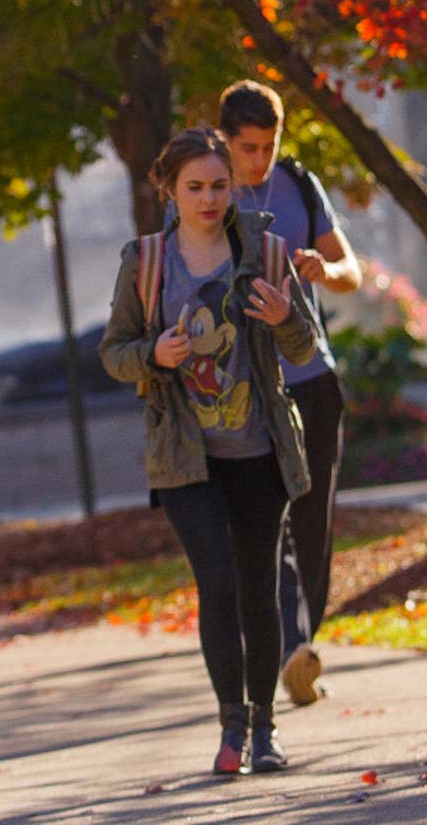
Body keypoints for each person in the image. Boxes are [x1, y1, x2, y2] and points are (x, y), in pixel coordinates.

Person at [101, 128, 319, 776]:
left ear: (235, 186)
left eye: (219, 185)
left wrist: (284, 315)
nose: (208, 198)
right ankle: (231, 728)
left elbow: (304, 350)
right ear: (168, 189)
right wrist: (155, 355)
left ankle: (265, 731)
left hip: (258, 450)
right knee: (217, 582)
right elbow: (114, 352)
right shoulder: (146, 264)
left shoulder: (269, 252)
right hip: (185, 457)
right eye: (194, 186)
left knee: (258, 590)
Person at [211, 79, 362, 708]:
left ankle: (303, 642)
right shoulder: (203, 194)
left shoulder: (300, 185)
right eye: (247, 147)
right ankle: (292, 645)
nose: (260, 160)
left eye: (269, 145)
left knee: (314, 520)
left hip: (312, 378)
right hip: (245, 389)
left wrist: (324, 270)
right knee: (263, 522)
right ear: (224, 140)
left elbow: (351, 270)